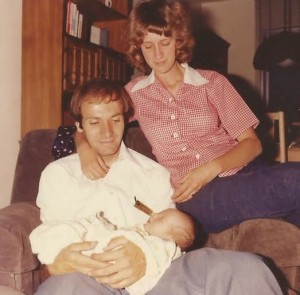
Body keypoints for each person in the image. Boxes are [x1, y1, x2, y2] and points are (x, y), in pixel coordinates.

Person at [34, 79, 282, 295]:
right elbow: (51, 240)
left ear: (125, 120)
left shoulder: (153, 174)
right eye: (95, 122)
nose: (107, 133)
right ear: (79, 126)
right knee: (63, 289)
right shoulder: (58, 175)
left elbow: (172, 238)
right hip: (90, 280)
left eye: (115, 120)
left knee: (248, 268)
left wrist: (144, 256)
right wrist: (56, 263)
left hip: (157, 276)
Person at [76, 0, 300, 234]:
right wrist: (84, 149)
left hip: (246, 172)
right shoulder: (135, 93)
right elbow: (88, 118)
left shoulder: (213, 83)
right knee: (295, 180)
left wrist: (210, 168)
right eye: (148, 46)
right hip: (194, 197)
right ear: (138, 47)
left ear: (179, 41)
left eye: (165, 42)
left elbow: (252, 145)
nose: (158, 54)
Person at [30, 208, 194, 295]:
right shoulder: (57, 173)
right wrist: (53, 267)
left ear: (171, 238)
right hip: (82, 271)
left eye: (161, 218)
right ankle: (50, 245)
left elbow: (162, 254)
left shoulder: (166, 246)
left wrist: (146, 255)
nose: (155, 213)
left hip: (138, 284)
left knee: (212, 263)